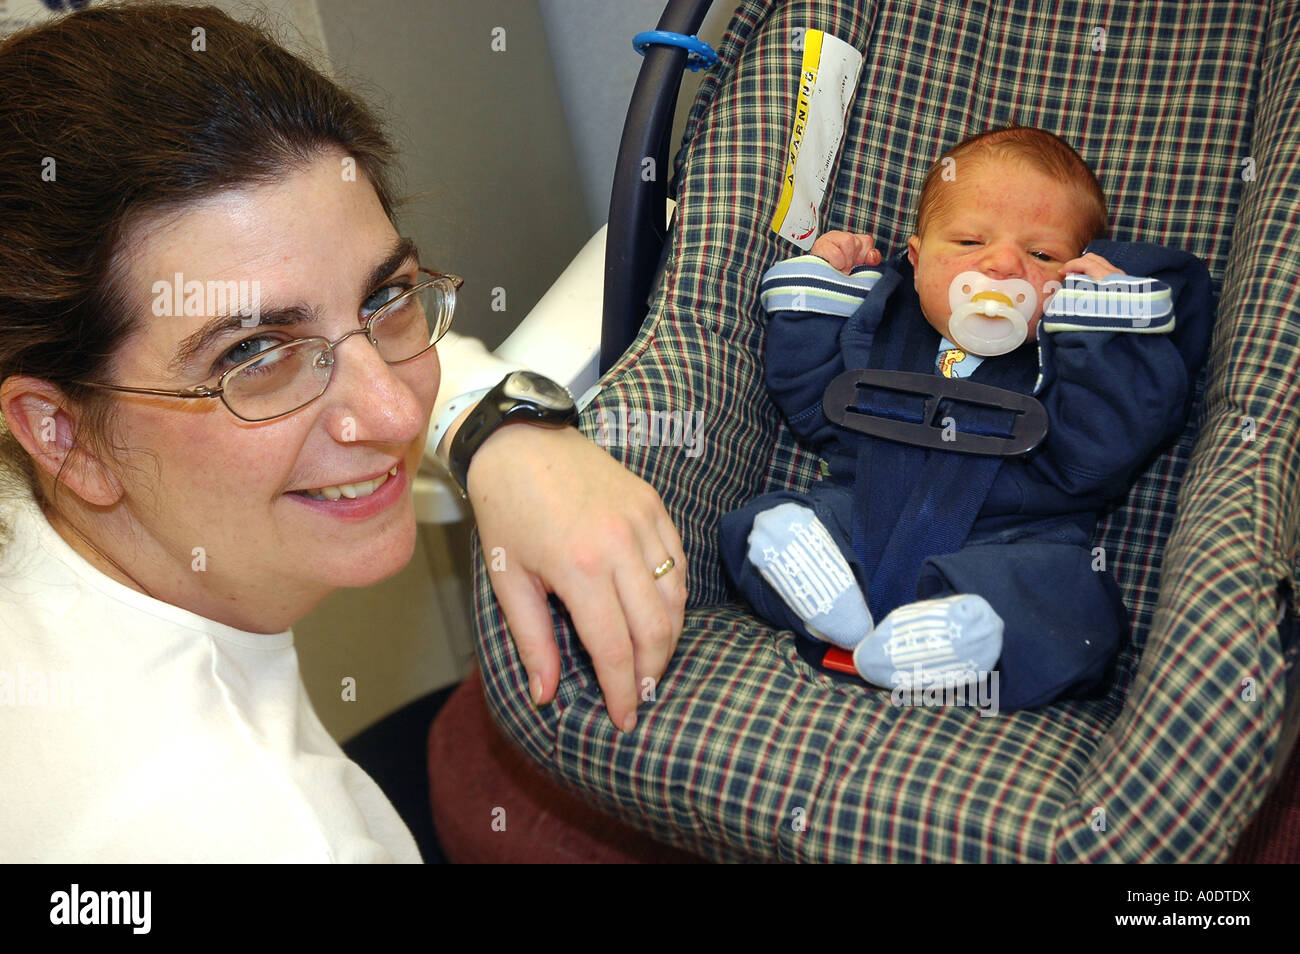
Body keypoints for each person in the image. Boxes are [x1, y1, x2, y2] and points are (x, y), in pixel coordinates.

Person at [0, 3, 683, 862]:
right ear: (62, 435)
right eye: (256, 353)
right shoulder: (274, 834)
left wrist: (503, 429)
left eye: (386, 297)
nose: (397, 415)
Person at [720, 126, 1213, 710]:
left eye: (1041, 254)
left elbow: (1098, 458)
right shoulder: (882, 323)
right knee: (762, 524)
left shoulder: (1067, 354)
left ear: (1075, 274)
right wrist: (822, 285)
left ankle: (949, 642)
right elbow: (810, 403)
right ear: (917, 256)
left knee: (1076, 606)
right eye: (970, 240)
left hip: (1012, 540)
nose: (1003, 264)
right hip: (865, 511)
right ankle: (832, 604)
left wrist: (1105, 331)